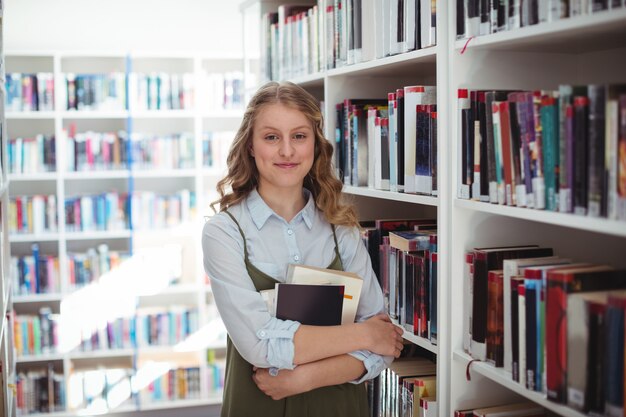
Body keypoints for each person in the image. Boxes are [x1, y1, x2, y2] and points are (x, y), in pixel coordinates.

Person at [202, 81, 404, 417]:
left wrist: (305, 377)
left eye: (299, 136)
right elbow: (260, 345)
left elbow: (385, 345)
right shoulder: (224, 233)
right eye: (271, 137)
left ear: (315, 144)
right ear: (250, 146)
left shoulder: (342, 228)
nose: (287, 151)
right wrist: (362, 334)